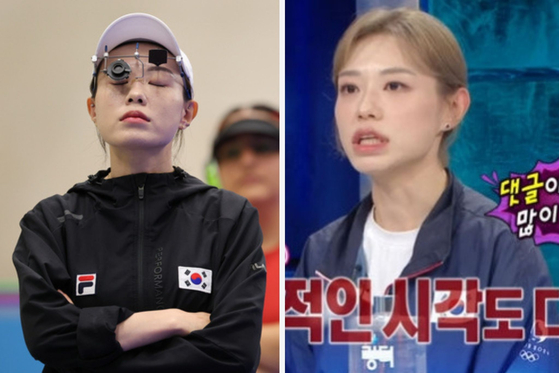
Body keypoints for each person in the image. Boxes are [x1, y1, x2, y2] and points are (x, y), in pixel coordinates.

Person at [285, 8, 558, 373]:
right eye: (349, 88)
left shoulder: (503, 249)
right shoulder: (321, 253)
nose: (364, 109)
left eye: (394, 85)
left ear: (453, 107)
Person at [13, 13, 266, 373]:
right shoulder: (52, 223)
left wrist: (93, 339)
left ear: (187, 113)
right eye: (118, 79)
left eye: (160, 82)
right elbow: (48, 338)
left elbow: (234, 353)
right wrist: (176, 321)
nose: (136, 92)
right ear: (93, 108)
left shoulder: (228, 218)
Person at [211, 105, 280, 373]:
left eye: (262, 147)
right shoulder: (195, 259)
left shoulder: (322, 249)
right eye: (231, 153)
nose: (247, 160)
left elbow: (317, 341)